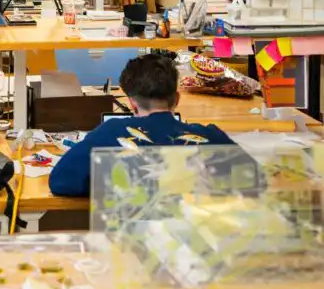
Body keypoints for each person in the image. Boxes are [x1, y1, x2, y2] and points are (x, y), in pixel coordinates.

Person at [49, 53, 234, 197]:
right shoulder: (211, 137)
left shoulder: (109, 134)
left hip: (129, 243)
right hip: (194, 240)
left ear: (132, 104)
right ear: (176, 99)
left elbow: (59, 181)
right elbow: (253, 179)